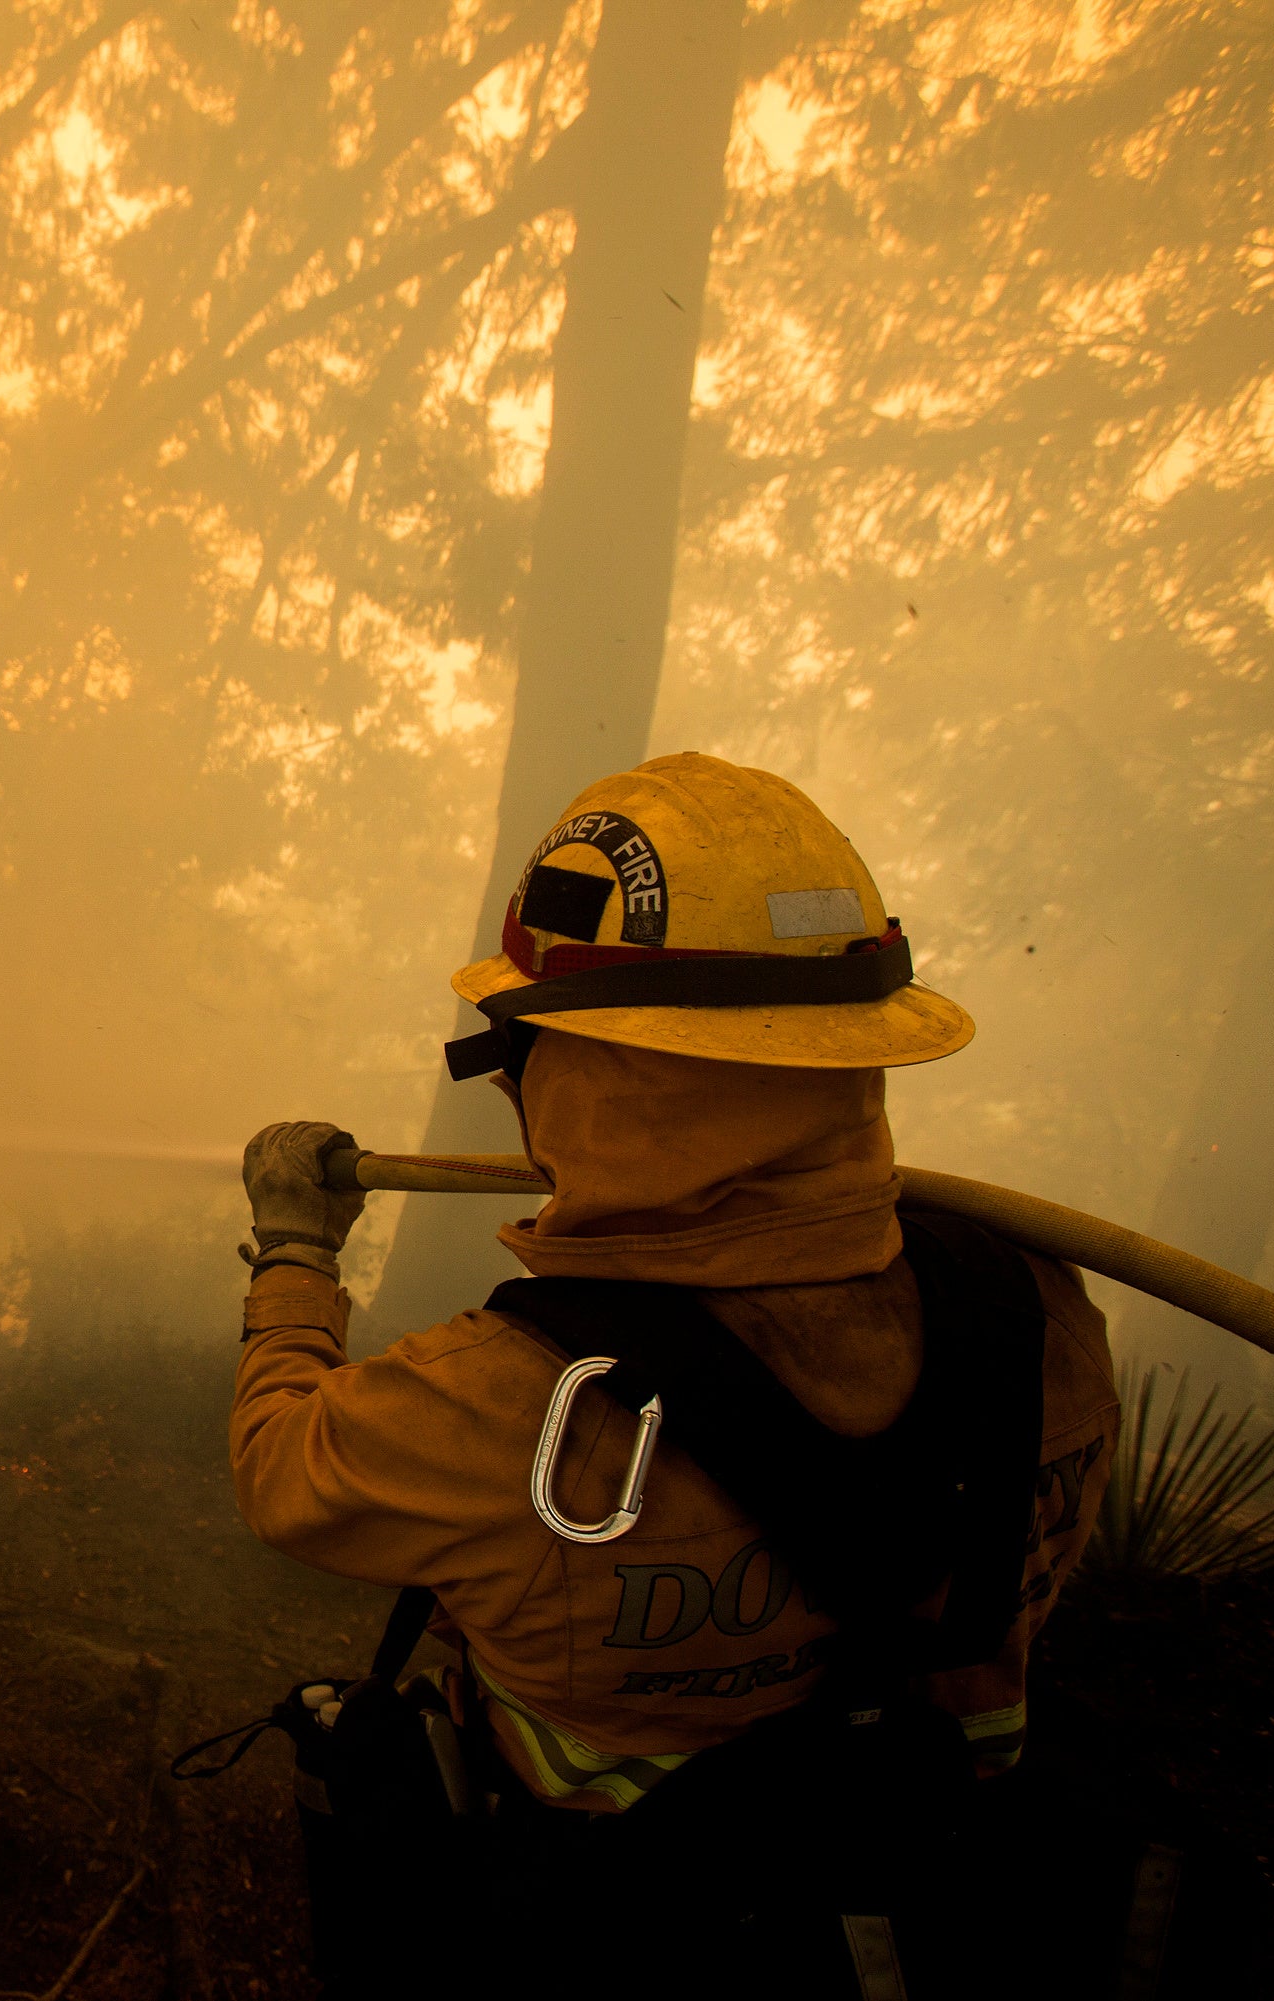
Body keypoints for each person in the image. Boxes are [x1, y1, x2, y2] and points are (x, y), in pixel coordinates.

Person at [228, 753, 1121, 1994]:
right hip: (953, 1892)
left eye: (522, 1048)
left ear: (588, 1068)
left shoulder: (509, 1402)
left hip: (611, 1926)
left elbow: (283, 1472)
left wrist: (292, 1255)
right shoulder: (1041, 1307)